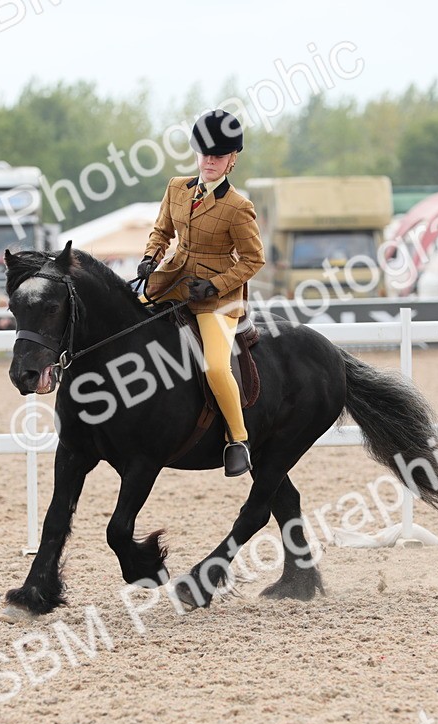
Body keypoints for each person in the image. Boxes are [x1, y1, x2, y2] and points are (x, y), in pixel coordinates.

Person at [138, 109, 264, 478]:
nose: (210, 161)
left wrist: (217, 284)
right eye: (206, 154)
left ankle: (237, 440)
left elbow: (254, 259)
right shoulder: (177, 187)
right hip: (174, 282)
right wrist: (149, 258)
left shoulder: (238, 207)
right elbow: (161, 232)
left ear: (232, 159)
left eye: (219, 156)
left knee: (214, 364)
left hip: (216, 298)